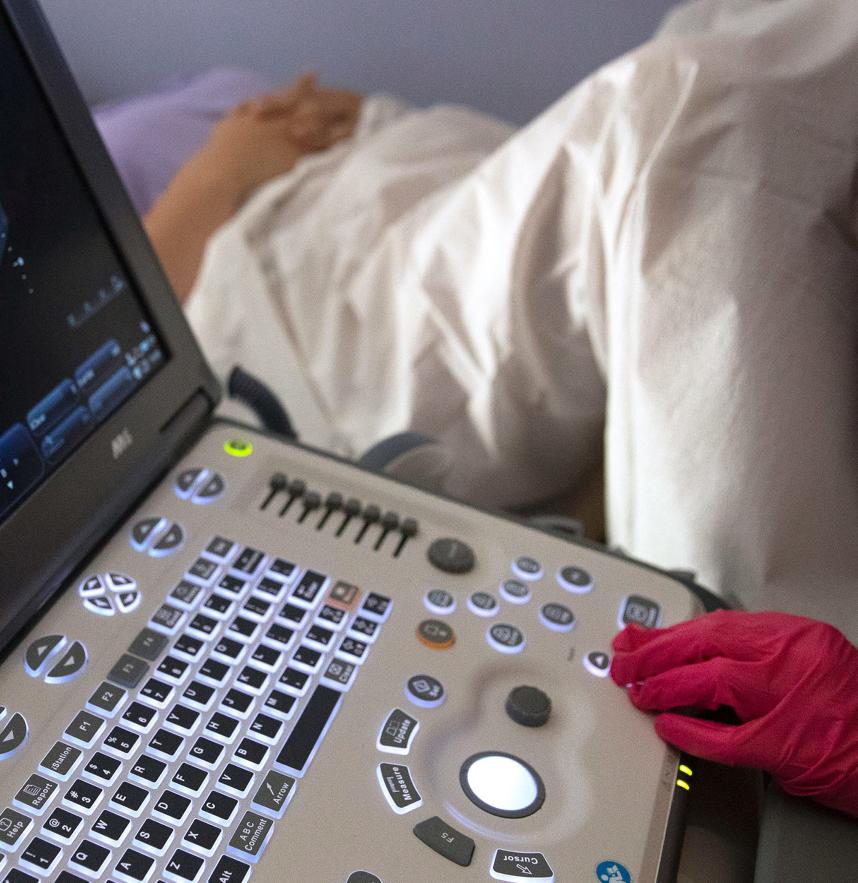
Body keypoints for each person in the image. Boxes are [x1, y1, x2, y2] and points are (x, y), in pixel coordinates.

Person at [139, 0, 858, 817]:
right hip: (320, 279)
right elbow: (136, 302)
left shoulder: (229, 90)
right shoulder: (165, 161)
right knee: (694, 111)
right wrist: (219, 170)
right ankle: (753, 730)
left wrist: (354, 124)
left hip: (420, 164)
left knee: (754, 43)